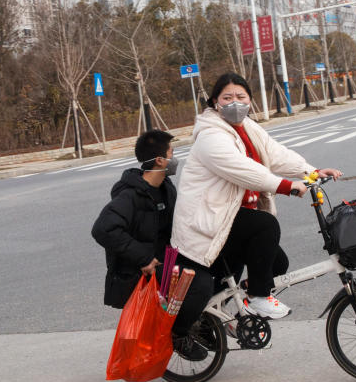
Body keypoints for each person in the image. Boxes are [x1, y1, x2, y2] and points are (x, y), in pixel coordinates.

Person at [171, 72, 342, 321]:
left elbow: (275, 154)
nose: (235, 103)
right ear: (214, 102)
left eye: (241, 96)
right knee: (265, 226)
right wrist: (284, 185)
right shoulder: (210, 135)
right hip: (208, 221)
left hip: (229, 216)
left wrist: (311, 172)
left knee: (276, 264)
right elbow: (242, 169)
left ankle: (226, 313)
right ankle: (258, 299)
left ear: (250, 101)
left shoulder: (248, 128)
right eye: (227, 97)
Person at [91, 129, 211, 361]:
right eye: (171, 153)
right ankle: (178, 335)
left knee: (212, 264)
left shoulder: (165, 188)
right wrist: (143, 258)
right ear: (159, 160)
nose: (174, 159)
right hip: (140, 271)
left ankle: (200, 322)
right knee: (202, 282)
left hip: (166, 258)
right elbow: (102, 229)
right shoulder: (131, 196)